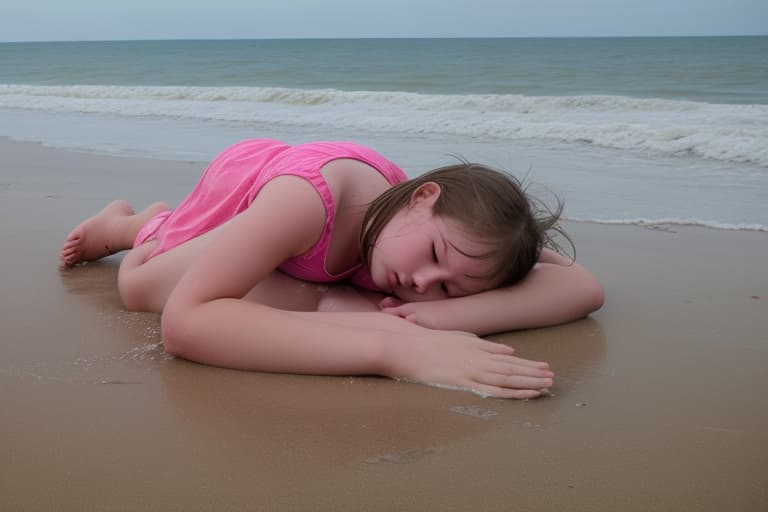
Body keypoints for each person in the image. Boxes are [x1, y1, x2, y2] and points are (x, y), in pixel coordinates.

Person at [60, 139, 604, 398]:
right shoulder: (309, 203)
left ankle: (150, 222)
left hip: (273, 228)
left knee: (333, 299)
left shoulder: (457, 237)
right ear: (422, 197)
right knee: (139, 283)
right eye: (435, 259)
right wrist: (394, 347)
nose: (422, 284)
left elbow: (582, 286)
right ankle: (126, 224)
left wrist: (447, 318)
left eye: (448, 287)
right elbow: (185, 325)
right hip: (239, 203)